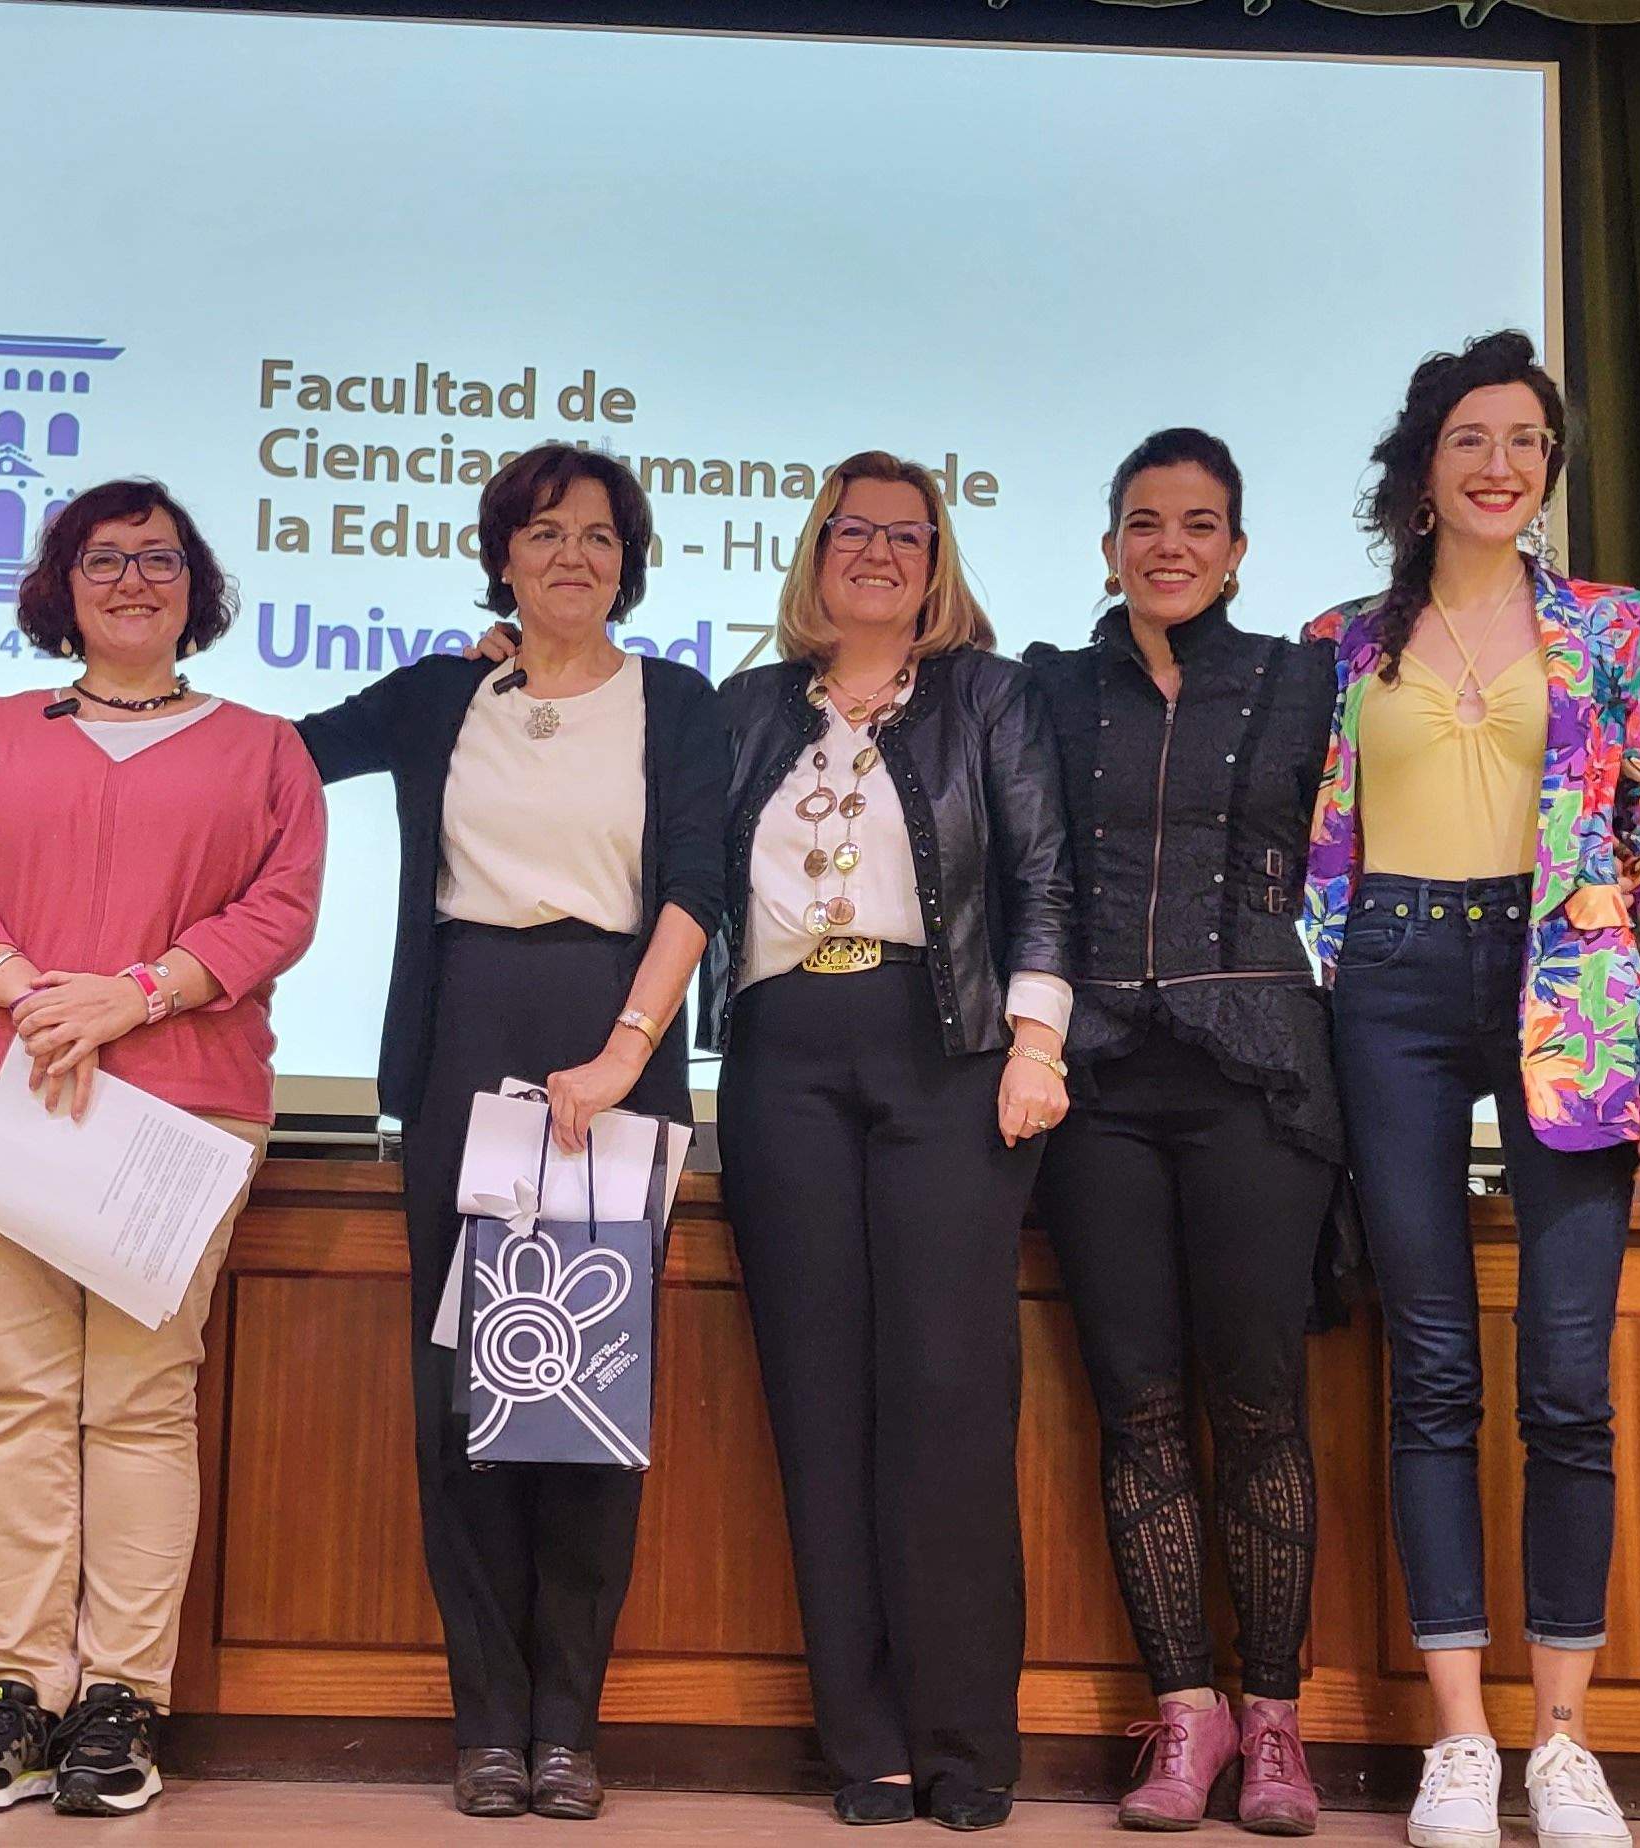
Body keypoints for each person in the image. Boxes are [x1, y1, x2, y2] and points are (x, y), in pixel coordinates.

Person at [1301, 331, 1640, 1848]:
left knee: (1565, 1382)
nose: (1501, 465)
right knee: (1428, 1372)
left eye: (1527, 441)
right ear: (1423, 467)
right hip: (1392, 984)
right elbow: (1303, 857)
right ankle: (1460, 1743)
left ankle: (1564, 1743)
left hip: (1575, 989)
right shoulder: (1342, 639)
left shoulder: (1615, 626)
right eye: (1472, 437)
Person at [299, 443, 728, 1822]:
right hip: (466, 1034)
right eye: (544, 533)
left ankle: (568, 1726)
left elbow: (699, 883)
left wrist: (618, 1055)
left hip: (615, 1035)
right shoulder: (442, 695)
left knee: (583, 1404)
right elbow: (277, 760)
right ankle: (487, 1718)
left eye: (599, 536)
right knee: (466, 1405)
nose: (573, 557)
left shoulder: (679, 701)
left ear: (630, 560)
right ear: (502, 556)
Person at [0, 480, 327, 1818]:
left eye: (157, 559)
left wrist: (135, 995)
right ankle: (17, 1696)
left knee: (141, 1400)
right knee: (15, 1396)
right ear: (60, 588)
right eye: (101, 560)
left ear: (196, 586)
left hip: (184, 1103)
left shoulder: (264, 750)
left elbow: (283, 906)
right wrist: (32, 992)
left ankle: (121, 1704)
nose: (131, 580)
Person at [709, 451, 1072, 1833]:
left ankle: (966, 1744)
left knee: (947, 1402)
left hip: (949, 1058)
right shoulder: (745, 711)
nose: (875, 553)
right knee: (819, 1406)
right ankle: (864, 1744)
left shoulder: (990, 695)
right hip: (784, 1057)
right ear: (814, 554)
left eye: (903, 535)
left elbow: (1042, 873)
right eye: (850, 532)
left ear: (937, 561)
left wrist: (1036, 1043)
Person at [1020, 429, 1341, 1833]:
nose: (1170, 545)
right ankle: (1184, 1722)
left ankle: (1275, 1726)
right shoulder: (1043, 686)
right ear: (1108, 546)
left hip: (1257, 1080)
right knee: (1136, 1409)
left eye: (1199, 524)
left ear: (1237, 550)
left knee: (1261, 1405)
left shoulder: (1302, 677)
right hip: (1097, 1089)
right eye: (1144, 521)